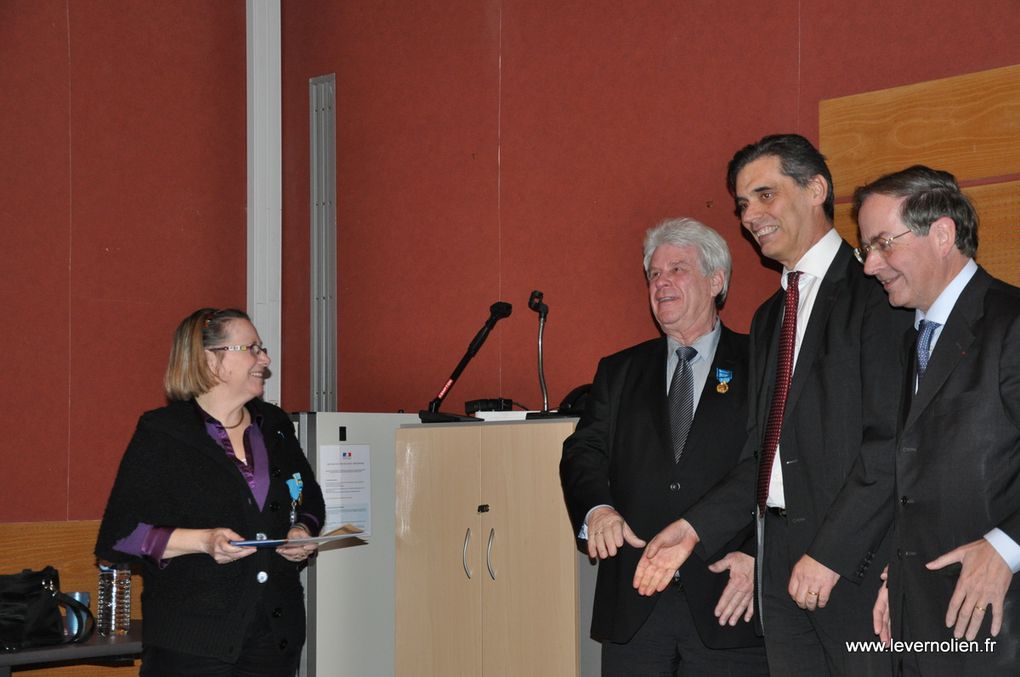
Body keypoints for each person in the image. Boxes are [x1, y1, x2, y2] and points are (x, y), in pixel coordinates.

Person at [633, 134, 913, 676]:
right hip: (777, 561)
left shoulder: (877, 291)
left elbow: (888, 445)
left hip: (857, 567)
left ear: (815, 189)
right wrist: (692, 529)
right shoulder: (768, 318)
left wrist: (831, 553)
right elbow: (761, 454)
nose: (750, 216)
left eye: (765, 195)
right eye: (742, 204)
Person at [560, 218, 768, 676]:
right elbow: (583, 451)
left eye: (678, 269)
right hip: (634, 605)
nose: (662, 282)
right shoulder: (619, 370)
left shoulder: (762, 364)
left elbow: (775, 468)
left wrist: (759, 556)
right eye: (654, 274)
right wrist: (597, 510)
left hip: (727, 602)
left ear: (716, 281)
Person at [95, 308, 325, 676]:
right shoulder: (164, 434)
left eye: (262, 348)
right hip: (192, 646)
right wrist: (203, 541)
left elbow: (309, 498)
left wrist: (302, 532)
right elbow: (118, 537)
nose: (264, 359)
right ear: (211, 361)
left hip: (275, 638)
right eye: (252, 348)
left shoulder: (276, 425)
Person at [855, 165, 1020, 676]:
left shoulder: (1011, 322)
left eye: (883, 244)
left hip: (999, 623)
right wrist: (897, 576)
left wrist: (1007, 547)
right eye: (866, 249)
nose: (869, 266)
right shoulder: (915, 338)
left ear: (942, 233)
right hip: (920, 618)